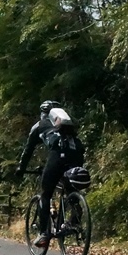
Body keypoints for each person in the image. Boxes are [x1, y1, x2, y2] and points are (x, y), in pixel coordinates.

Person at [14, 100, 85, 247]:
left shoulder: (39, 125)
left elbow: (28, 150)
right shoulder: (65, 124)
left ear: (43, 113)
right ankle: (74, 220)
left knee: (46, 194)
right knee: (70, 187)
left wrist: (21, 168)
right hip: (77, 154)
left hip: (58, 155)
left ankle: (44, 234)